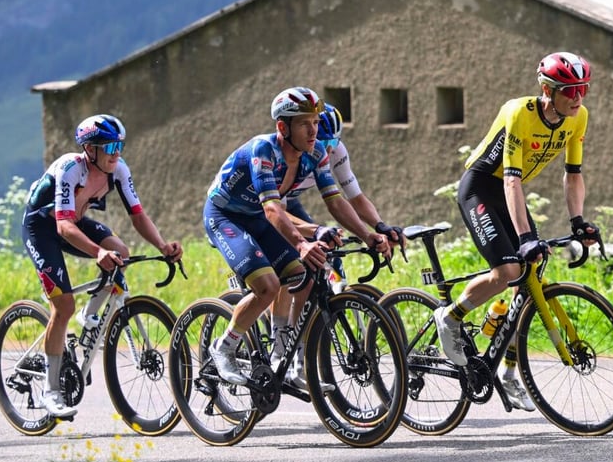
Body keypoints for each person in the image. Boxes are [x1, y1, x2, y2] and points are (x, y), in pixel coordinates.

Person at [432, 51, 600, 412]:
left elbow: (573, 174)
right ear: (546, 89)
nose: (578, 98)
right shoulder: (518, 113)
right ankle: (450, 317)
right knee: (509, 270)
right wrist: (524, 238)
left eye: (582, 89)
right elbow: (510, 180)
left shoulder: (578, 118)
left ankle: (508, 372)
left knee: (532, 276)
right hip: (482, 187)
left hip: (510, 191)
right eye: (570, 90)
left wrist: (578, 221)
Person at [204, 87, 392, 392]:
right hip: (227, 216)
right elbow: (273, 209)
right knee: (267, 286)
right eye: (305, 124)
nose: (313, 130)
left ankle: (286, 359)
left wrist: (368, 234)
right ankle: (223, 347)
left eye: (315, 122)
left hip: (257, 216)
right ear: (283, 127)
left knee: (303, 274)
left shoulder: (316, 153)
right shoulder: (263, 151)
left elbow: (335, 201)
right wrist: (302, 242)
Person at [21, 114, 183, 418]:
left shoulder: (118, 169)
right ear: (90, 149)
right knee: (63, 306)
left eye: (119, 145)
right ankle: (50, 391)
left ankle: (90, 314)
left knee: (120, 251)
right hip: (43, 228)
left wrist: (163, 246)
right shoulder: (70, 168)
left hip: (73, 221)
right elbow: (63, 226)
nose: (116, 152)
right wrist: (97, 252)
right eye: (109, 146)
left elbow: (138, 216)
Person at [281, 103, 405, 290]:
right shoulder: (293, 156)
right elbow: (274, 211)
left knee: (327, 260)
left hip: (289, 202)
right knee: (289, 264)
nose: (327, 150)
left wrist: (380, 226)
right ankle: (278, 317)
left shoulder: (336, 152)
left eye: (332, 143)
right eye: (322, 144)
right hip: (269, 206)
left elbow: (355, 198)